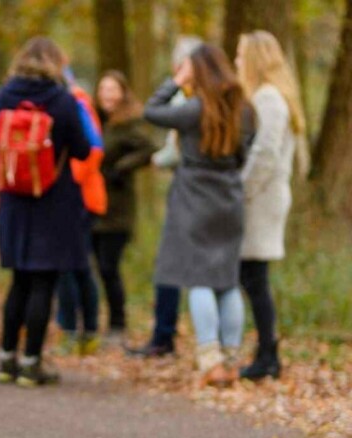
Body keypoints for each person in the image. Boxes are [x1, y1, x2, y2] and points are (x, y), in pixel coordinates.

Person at [144, 43, 255, 387]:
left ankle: (210, 360)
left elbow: (152, 110)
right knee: (227, 279)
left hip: (194, 197)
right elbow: (244, 154)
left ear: (197, 71)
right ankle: (233, 358)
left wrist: (176, 81)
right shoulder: (245, 110)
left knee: (200, 279)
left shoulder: (193, 109)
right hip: (230, 197)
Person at [0, 37, 91, 386]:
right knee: (43, 282)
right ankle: (32, 362)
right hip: (52, 201)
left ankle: (6, 359)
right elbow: (81, 149)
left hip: (14, 202)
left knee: (18, 280)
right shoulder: (62, 100)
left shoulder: (3, 96)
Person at [235, 30, 307, 380]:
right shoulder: (271, 97)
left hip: (261, 199)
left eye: (239, 55)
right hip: (262, 196)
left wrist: (241, 189)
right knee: (252, 277)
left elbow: (266, 153)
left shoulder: (269, 99)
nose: (236, 61)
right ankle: (265, 351)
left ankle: (268, 354)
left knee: (254, 277)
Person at [129, 35, 202, 358]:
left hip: (188, 191)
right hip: (212, 194)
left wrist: (153, 161)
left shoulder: (186, 101)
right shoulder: (223, 99)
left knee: (171, 267)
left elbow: (172, 146)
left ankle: (164, 336)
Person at [92, 70, 157, 340]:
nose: (107, 95)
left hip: (117, 210)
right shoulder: (97, 121)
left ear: (122, 93)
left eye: (112, 90)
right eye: (103, 89)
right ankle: (98, 321)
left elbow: (148, 149)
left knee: (109, 267)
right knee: (97, 268)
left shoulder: (129, 124)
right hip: (95, 206)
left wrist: (121, 168)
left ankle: (118, 323)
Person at [55, 66, 105, 355]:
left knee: (76, 268)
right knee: (73, 268)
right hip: (73, 199)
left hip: (81, 200)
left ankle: (82, 331)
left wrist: (66, 180)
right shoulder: (70, 101)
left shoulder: (78, 102)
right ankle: (77, 330)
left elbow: (94, 149)